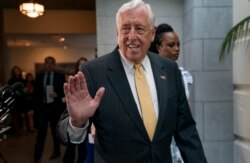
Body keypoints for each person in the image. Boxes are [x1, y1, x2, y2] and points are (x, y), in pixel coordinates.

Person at [57, 0, 207, 163]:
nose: (132, 36)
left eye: (140, 29)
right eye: (126, 28)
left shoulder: (170, 69)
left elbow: (186, 130)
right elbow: (64, 133)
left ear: (152, 33)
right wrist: (77, 122)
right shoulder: (93, 71)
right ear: (117, 33)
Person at [150, 23, 193, 163]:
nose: (177, 49)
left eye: (178, 45)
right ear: (158, 47)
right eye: (171, 45)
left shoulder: (183, 75)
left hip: (178, 144)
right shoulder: (147, 75)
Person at [33, 56, 66, 163]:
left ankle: (57, 152)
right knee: (41, 134)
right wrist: (35, 110)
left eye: (51, 63)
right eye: (47, 63)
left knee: (55, 133)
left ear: (54, 64)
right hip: (42, 109)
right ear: (44, 64)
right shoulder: (39, 77)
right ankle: (37, 157)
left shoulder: (60, 77)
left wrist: (58, 94)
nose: (49, 65)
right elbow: (35, 94)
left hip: (55, 109)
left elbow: (65, 92)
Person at [63, 57, 89, 163]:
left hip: (88, 115)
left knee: (84, 145)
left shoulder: (92, 77)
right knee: (71, 144)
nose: (82, 66)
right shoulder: (72, 79)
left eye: (84, 64)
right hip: (74, 115)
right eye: (80, 64)